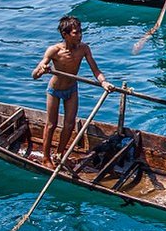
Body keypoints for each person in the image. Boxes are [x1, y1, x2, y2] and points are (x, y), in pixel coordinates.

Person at [32, 16, 114, 168]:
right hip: (54, 91)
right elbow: (34, 75)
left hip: (71, 90)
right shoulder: (54, 50)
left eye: (80, 32)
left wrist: (104, 82)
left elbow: (96, 70)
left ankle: (59, 155)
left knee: (69, 125)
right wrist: (42, 70)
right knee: (51, 125)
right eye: (76, 33)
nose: (80, 35)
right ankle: (46, 158)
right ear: (65, 34)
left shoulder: (84, 49)